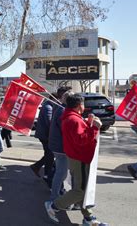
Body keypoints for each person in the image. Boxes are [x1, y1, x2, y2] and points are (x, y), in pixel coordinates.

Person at [45, 94, 104, 225]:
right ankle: (54, 206)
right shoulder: (73, 119)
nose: (85, 106)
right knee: (80, 191)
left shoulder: (70, 116)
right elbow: (81, 139)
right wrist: (95, 127)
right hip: (80, 158)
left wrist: (88, 123)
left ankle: (88, 218)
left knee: (82, 189)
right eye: (83, 104)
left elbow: (78, 135)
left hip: (77, 157)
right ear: (79, 105)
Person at [48, 88, 73, 202]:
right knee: (61, 174)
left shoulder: (60, 108)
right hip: (60, 147)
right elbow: (66, 130)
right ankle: (54, 198)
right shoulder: (63, 111)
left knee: (61, 173)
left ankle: (56, 194)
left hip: (57, 145)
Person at [30, 95, 56, 187]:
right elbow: (49, 123)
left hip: (45, 135)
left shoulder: (48, 106)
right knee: (50, 154)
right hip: (45, 135)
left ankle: (38, 167)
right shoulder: (48, 107)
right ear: (53, 99)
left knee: (49, 154)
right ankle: (46, 173)